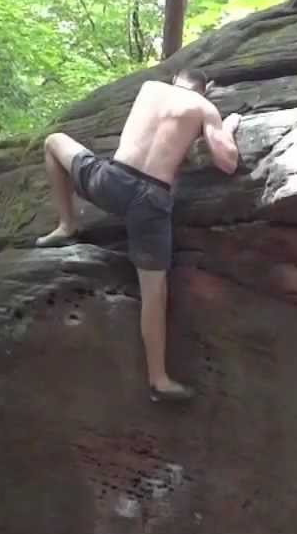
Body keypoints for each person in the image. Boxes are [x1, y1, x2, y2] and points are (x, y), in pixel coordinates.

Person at [34, 68, 242, 403]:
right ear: (207, 89)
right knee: (154, 293)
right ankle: (158, 380)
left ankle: (67, 224)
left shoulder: (150, 87)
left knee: (53, 142)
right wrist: (226, 127)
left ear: (176, 79)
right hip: (152, 202)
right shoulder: (203, 108)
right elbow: (227, 162)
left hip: (111, 183)